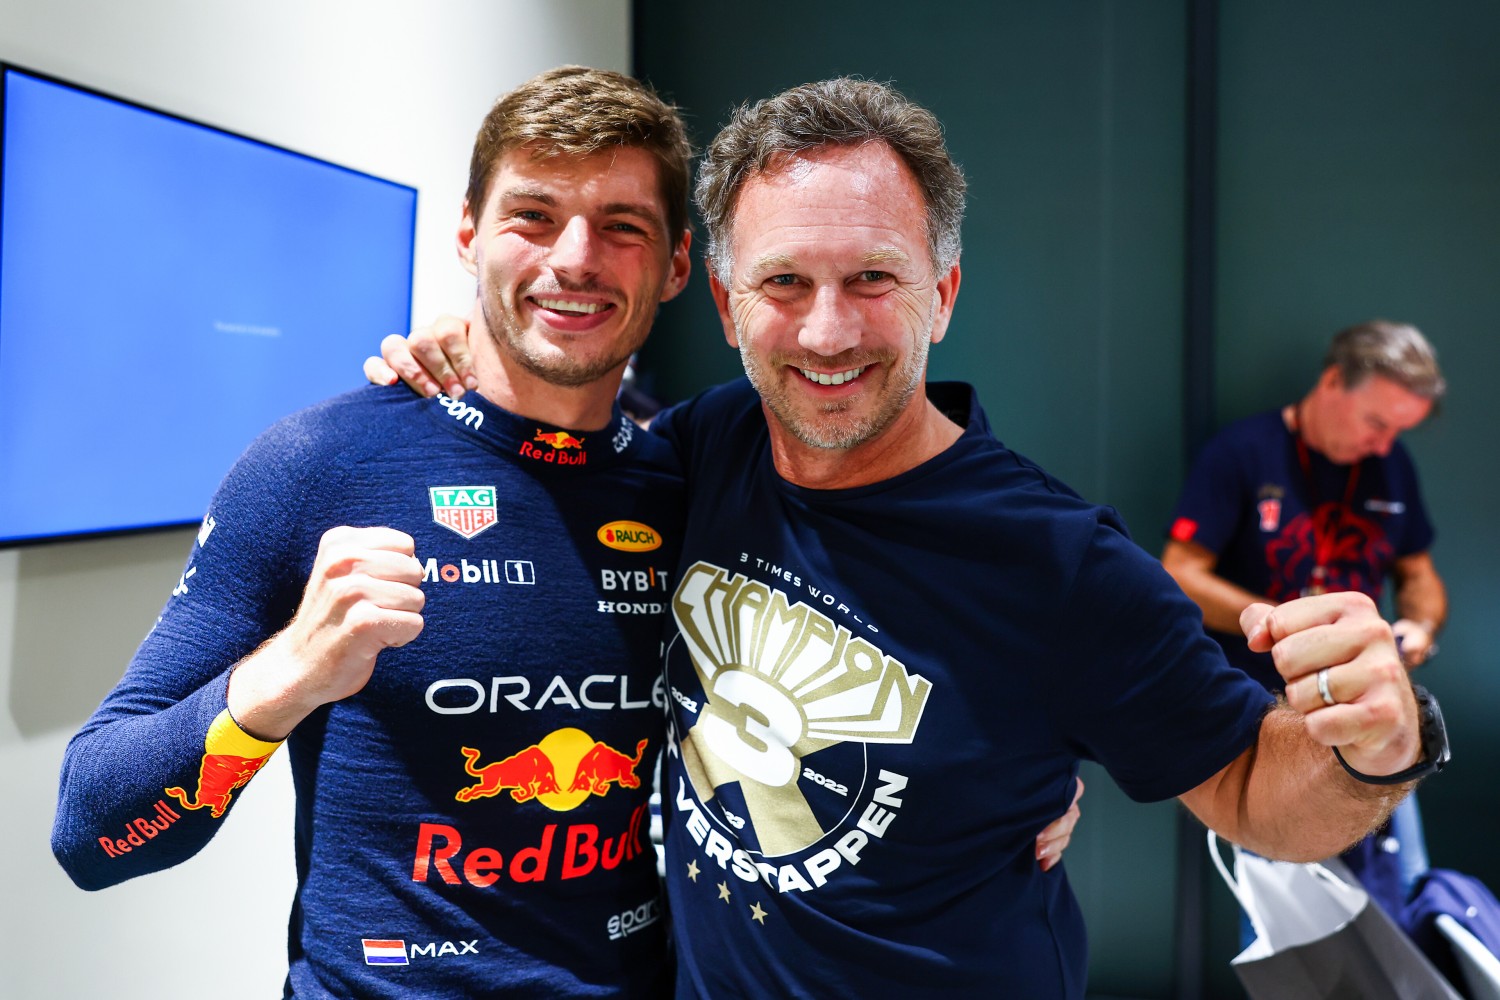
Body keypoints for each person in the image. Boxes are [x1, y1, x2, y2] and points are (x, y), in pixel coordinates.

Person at [370, 79, 1440, 998]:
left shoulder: (1055, 562)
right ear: (731, 303)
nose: (828, 331)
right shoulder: (707, 444)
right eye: (786, 282)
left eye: (872, 279)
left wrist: (1376, 746)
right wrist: (465, 356)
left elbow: (1258, 792)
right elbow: (562, 422)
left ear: (942, 293)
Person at [51, 66, 696, 998]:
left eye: (623, 226)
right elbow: (89, 831)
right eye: (534, 216)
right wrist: (283, 679)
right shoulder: (317, 465)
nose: (576, 259)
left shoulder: (686, 484)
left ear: (676, 263)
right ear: (470, 233)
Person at [1162, 319, 1448, 913]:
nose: (1384, 444)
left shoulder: (1392, 466)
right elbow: (1179, 573)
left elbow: (1419, 575)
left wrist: (1420, 626)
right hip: (1268, 722)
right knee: (1290, 920)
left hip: (1370, 714)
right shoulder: (1243, 451)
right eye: (1376, 423)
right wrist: (1278, 619)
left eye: (1400, 430)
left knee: (1400, 899)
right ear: (1333, 381)